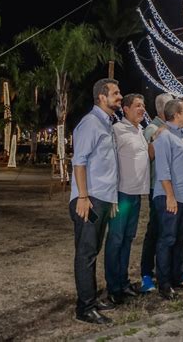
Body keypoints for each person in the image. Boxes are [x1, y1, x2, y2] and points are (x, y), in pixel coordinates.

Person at [69, 78, 121, 325]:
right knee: (86, 253)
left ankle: (90, 298)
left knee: (92, 251)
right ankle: (85, 307)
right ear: (102, 97)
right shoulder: (90, 123)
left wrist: (110, 199)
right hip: (88, 200)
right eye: (115, 93)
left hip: (101, 198)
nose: (119, 97)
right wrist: (82, 196)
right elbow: (79, 161)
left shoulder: (107, 123)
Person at [104, 93, 151, 304]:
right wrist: (111, 195)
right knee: (116, 240)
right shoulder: (117, 130)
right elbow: (110, 163)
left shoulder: (139, 130)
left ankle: (123, 282)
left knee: (128, 239)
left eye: (143, 106)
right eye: (138, 106)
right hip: (121, 194)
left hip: (136, 195)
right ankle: (113, 287)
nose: (142, 109)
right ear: (126, 109)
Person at [153, 98, 183, 300]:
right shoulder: (165, 137)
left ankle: (177, 276)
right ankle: (164, 283)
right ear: (176, 114)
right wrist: (170, 197)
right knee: (167, 240)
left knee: (180, 239)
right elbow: (163, 170)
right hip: (170, 198)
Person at [139, 92, 171, 293]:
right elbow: (152, 139)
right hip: (156, 188)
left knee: (169, 232)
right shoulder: (152, 128)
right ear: (162, 110)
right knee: (155, 231)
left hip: (171, 187)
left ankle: (167, 270)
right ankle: (146, 273)